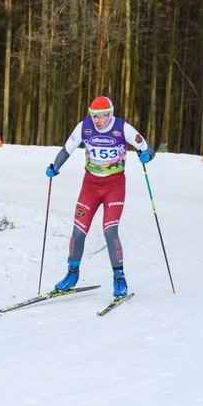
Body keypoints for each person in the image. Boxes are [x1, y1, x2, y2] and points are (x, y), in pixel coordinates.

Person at [45, 96, 155, 298]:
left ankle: (119, 278)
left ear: (110, 114)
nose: (97, 120)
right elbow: (66, 149)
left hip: (114, 186)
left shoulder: (123, 128)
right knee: (78, 231)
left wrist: (147, 154)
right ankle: (72, 273)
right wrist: (55, 166)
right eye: (93, 116)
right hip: (90, 186)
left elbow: (146, 147)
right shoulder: (84, 127)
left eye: (101, 116)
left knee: (110, 231)